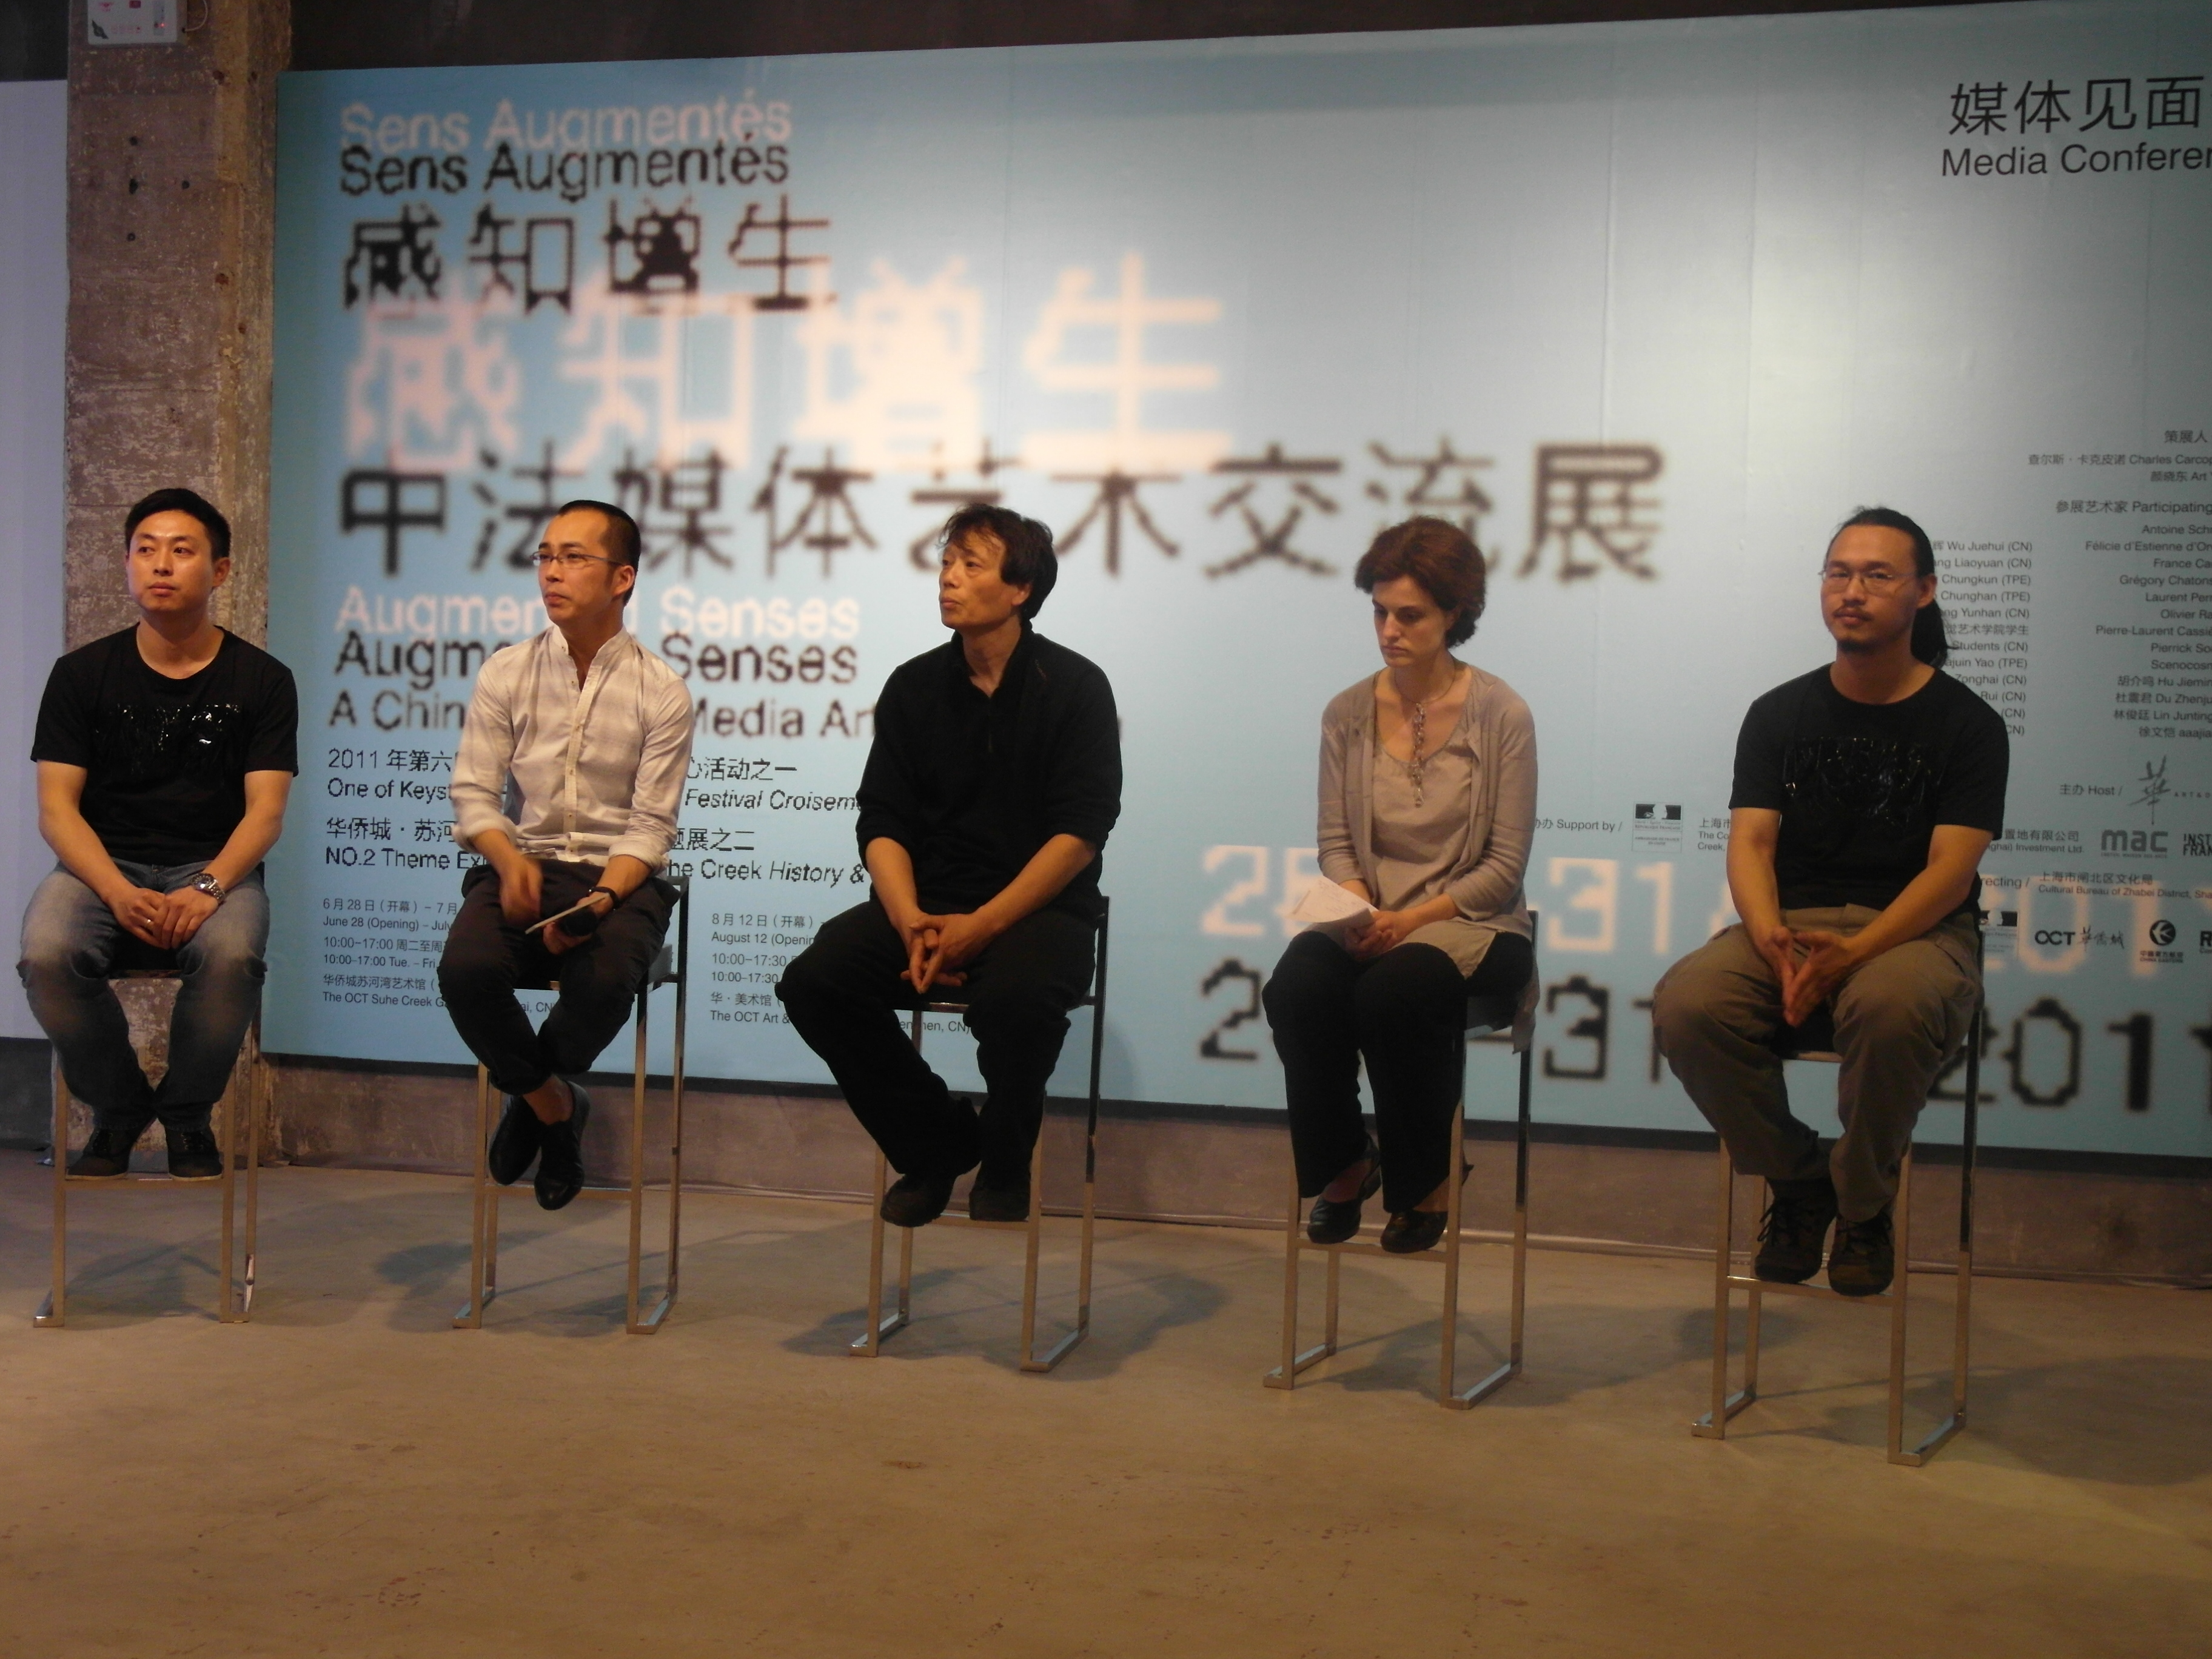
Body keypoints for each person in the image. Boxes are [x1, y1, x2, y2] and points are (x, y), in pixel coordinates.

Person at [1652, 506, 2005, 1297]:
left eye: (1877, 575)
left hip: (1916, 935)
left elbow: (1950, 873)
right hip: (1791, 927)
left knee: (1892, 1006)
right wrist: (1769, 936)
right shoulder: (1779, 713)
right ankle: (1798, 1178)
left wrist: (1856, 952)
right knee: (1689, 1005)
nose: (1852, 591)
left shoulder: (1969, 725)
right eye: (1839, 573)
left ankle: (1864, 1204)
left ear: (1924, 591)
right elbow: (1752, 845)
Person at [777, 504, 1121, 1227]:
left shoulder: (1076, 686)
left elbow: (1081, 832)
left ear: (1021, 588)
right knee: (816, 981)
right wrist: (908, 919)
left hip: (1039, 908)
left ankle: (1005, 1155)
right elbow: (882, 820)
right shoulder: (913, 686)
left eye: (971, 565)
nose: (949, 579)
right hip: (928, 902)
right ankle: (936, 1144)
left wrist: (983, 926)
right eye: (945, 563)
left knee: (1019, 1000)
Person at [1262, 517, 1538, 1255]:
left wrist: (1406, 923)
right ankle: (1347, 1164)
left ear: (1455, 613)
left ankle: (1427, 1180)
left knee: (1395, 991)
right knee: (1296, 986)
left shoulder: (1501, 713)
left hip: (1475, 925)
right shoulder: (1346, 713)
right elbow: (1336, 843)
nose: (1389, 630)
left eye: (1409, 615)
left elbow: (1503, 867)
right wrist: (1360, 908)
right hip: (1370, 918)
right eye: (1380, 612)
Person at [20, 488, 297, 1180]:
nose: (161, 565)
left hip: (214, 866)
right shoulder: (81, 674)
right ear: (127, 564)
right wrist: (115, 890)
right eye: (145, 550)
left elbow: (265, 813)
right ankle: (117, 1110)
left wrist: (208, 887)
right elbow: (57, 809)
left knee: (232, 955)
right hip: (100, 866)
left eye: (181, 550)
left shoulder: (263, 679)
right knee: (47, 953)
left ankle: (187, 1116)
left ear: (220, 570)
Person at [436, 500, 693, 1211]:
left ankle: (533, 1102)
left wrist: (602, 901)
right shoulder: (507, 671)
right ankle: (555, 1104)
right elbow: (474, 794)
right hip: (524, 863)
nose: (552, 572)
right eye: (545, 556)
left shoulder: (662, 690)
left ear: (622, 579)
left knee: (605, 981)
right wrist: (507, 858)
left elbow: (650, 828)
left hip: (616, 878)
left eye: (573, 557)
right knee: (465, 972)